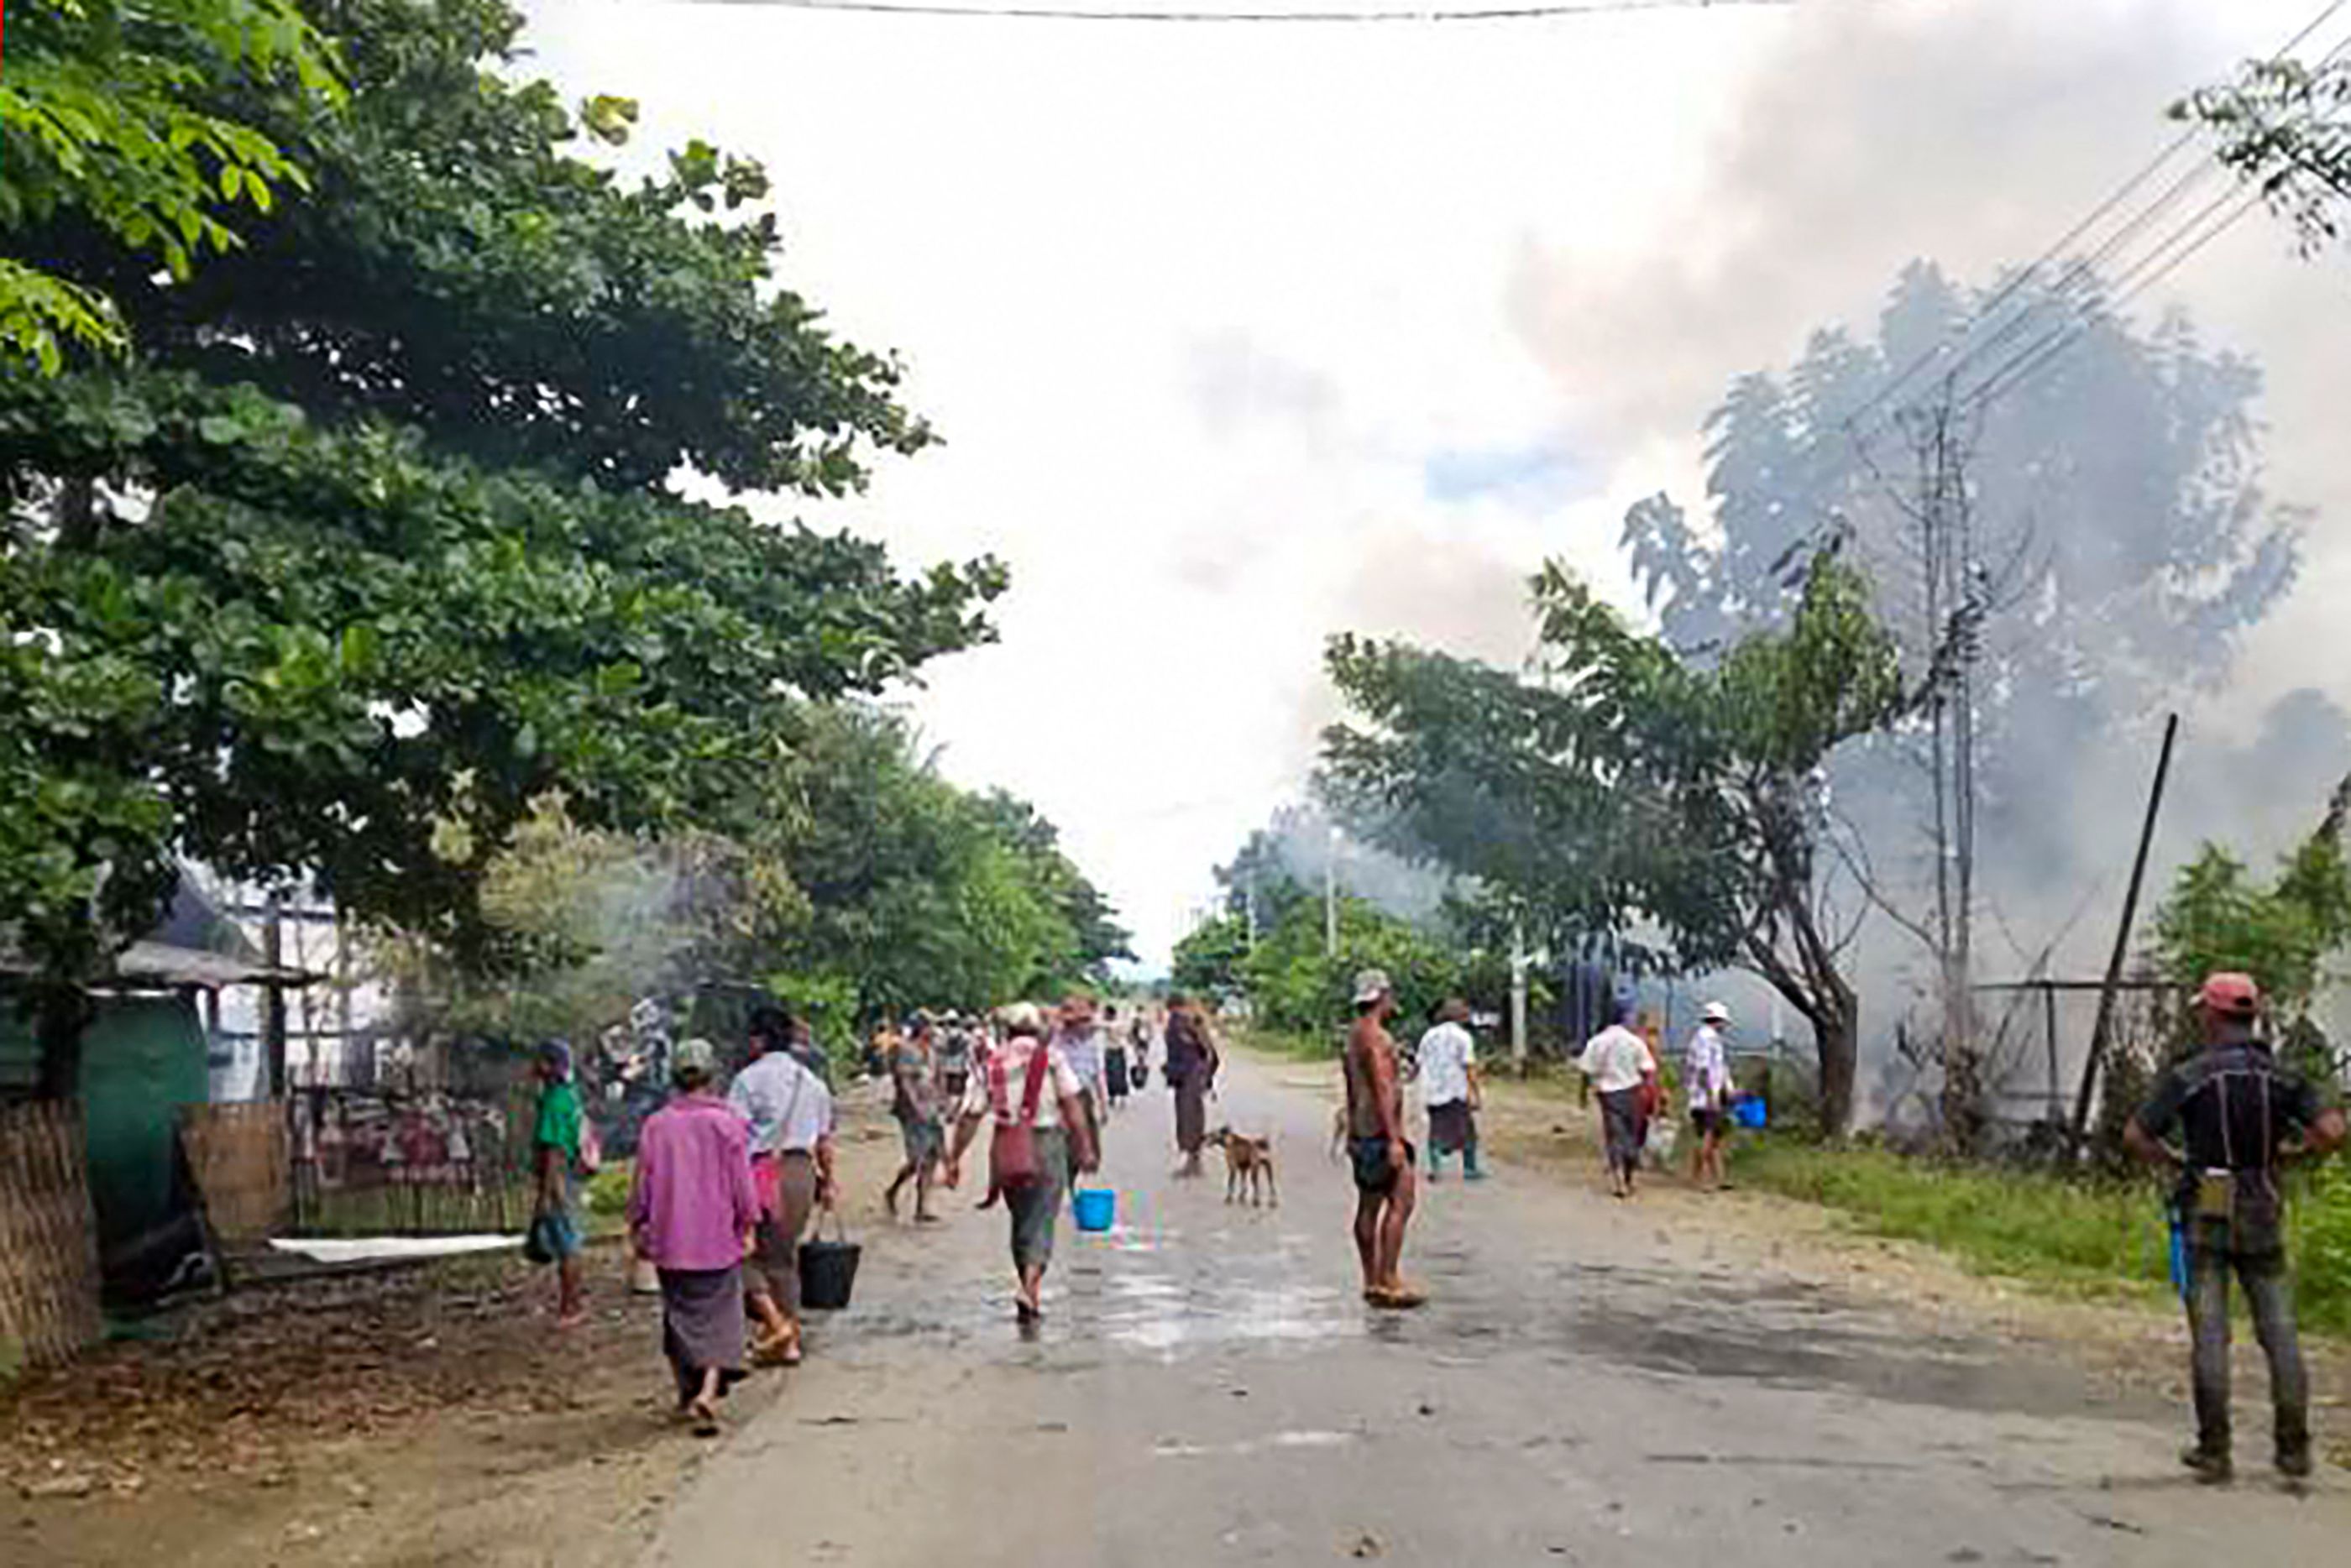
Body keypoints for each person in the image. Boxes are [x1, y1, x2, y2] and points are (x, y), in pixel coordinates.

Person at [2124, 971, 2345, 1483]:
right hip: (2262, 1196)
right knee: (2281, 1331)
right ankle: (2293, 1453)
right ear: (2252, 1017)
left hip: (2214, 1191)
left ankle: (2215, 1451)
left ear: (2215, 1016)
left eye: (2204, 1009)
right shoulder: (2284, 1077)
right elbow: (2334, 1130)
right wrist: (2290, 1153)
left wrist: (2177, 1160)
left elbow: (2135, 1135)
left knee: (2211, 1332)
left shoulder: (2190, 1075)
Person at [627, 1038, 761, 1436]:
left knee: (678, 1318)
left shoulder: (657, 1124)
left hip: (670, 1240)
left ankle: (685, 1394)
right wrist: (749, 1224)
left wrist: (637, 1224)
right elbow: (742, 1184)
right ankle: (706, 1390)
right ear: (712, 1075)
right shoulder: (727, 1122)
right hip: (718, 1238)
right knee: (720, 1317)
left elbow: (642, 1185)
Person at [944, 1002, 1097, 1323]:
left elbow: (970, 1116)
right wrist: (1085, 1148)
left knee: (1021, 1217)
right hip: (1047, 1143)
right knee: (1042, 1218)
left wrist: (954, 1157)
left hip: (1006, 1147)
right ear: (1037, 1030)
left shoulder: (992, 1063)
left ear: (1008, 1031)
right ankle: (1030, 1287)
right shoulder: (1052, 1059)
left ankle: (1027, 1287)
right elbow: (1073, 1106)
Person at [729, 1006, 837, 1367]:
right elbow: (824, 1141)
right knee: (784, 1257)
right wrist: (830, 1183)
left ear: (759, 1039)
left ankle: (778, 1328)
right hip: (802, 1172)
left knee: (742, 1255)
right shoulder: (812, 1082)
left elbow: (733, 1136)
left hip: (761, 1172)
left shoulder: (748, 1080)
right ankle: (786, 1338)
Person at [1343, 970, 1424, 1309]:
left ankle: (1371, 1278)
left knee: (1369, 1203)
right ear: (1382, 997)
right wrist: (1394, 1138)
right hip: (1379, 1130)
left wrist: (1351, 1129)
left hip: (1362, 1129)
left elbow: (1352, 1089)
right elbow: (1383, 1086)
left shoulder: (1353, 1036)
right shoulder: (1377, 1038)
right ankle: (1388, 1277)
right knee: (1402, 1200)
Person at [528, 1039, 589, 1328]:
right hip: (570, 1175)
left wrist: (547, 1193)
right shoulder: (567, 1095)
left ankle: (571, 1308)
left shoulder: (553, 1102)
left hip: (559, 1177)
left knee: (567, 1245)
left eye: (539, 1061)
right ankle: (572, 1303)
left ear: (549, 1065)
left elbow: (553, 1152)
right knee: (569, 1240)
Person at [1578, 1000, 1658, 1199]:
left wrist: (1582, 1095)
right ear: (1625, 1017)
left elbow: (1586, 1072)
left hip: (1608, 1095)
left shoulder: (1597, 1042)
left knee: (1614, 1136)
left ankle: (1618, 1180)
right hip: (1633, 1093)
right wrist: (1651, 1095)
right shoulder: (1634, 1042)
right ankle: (1629, 1177)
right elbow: (1648, 1071)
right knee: (1632, 1135)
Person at [883, 1015, 945, 1224]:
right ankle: (893, 1191)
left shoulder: (933, 1052)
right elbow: (905, 1081)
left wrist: (942, 1101)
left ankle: (922, 1206)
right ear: (922, 1029)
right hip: (912, 1110)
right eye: (930, 1026)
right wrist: (915, 1106)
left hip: (931, 1107)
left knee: (932, 1156)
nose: (934, 1030)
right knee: (916, 1158)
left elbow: (939, 1077)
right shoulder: (907, 1051)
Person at [1417, 998, 1483, 1182]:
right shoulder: (1463, 1037)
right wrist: (1475, 1093)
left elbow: (1419, 1062)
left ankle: (1436, 1167)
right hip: (1455, 1090)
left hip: (1432, 1090)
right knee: (1467, 1131)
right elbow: (1469, 1067)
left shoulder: (1428, 1036)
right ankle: (1470, 1168)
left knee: (1436, 1130)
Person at [1164, 993, 1220, 1178]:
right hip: (1183, 1075)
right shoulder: (1180, 1022)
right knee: (1187, 1117)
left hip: (1192, 1075)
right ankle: (1193, 1161)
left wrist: (1206, 1077)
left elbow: (1209, 1051)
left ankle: (1193, 1162)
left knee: (1190, 1117)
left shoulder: (1191, 1022)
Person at [1684, 1001, 1736, 1191]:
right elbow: (1704, 1069)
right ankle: (1699, 1178)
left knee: (1714, 1137)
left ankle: (1718, 1177)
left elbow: (1719, 1068)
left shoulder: (1710, 1038)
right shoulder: (1705, 1039)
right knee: (1707, 1137)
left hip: (1709, 1095)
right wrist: (1711, 1095)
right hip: (1705, 1097)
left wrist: (1728, 1088)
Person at [1054, 991, 1112, 1152]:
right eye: (1081, 1021)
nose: (1085, 1026)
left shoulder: (1092, 1043)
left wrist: (1103, 1104)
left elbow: (1099, 1075)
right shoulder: (1057, 1040)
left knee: (1085, 1150)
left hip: (1084, 1095)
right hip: (1060, 1098)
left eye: (1087, 1021)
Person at [937, 1011, 975, 1102]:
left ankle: (949, 1102)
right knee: (960, 1086)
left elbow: (941, 1048)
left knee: (949, 1085)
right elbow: (968, 1048)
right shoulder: (964, 1034)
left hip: (947, 1063)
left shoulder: (943, 1035)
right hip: (960, 1062)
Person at [1102, 1003, 1131, 1111]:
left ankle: (1119, 1096)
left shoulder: (1114, 1025)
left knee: (1116, 1075)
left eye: (1105, 1013)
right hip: (1112, 1051)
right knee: (1113, 1075)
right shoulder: (1115, 1024)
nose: (1103, 1015)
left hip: (1115, 1051)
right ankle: (1114, 1097)